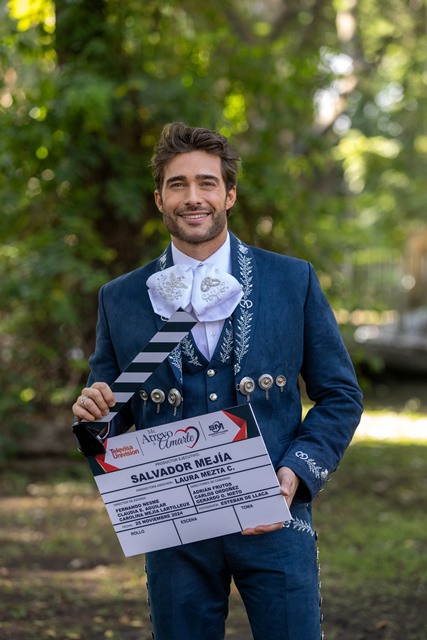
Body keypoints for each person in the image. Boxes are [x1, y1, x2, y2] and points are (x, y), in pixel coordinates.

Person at [72, 122, 363, 640]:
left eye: (207, 183)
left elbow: (341, 395)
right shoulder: (121, 298)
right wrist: (94, 420)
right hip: (174, 529)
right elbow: (110, 420)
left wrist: (297, 472)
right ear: (159, 199)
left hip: (275, 515)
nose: (193, 197)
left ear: (229, 195)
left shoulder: (291, 280)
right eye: (177, 184)